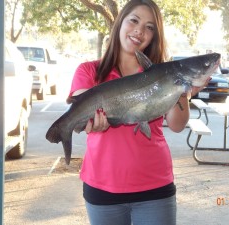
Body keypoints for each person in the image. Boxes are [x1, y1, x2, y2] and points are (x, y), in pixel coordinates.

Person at [69, 0, 210, 224]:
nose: (140, 31)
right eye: (134, 20)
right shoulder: (88, 71)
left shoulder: (164, 73)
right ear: (120, 23)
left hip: (155, 187)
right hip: (103, 187)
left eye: (149, 27)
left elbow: (176, 125)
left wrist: (182, 90)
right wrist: (89, 122)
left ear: (154, 35)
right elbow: (82, 113)